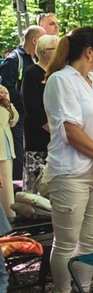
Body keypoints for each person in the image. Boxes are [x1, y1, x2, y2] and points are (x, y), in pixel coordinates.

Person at [43, 27, 93, 293]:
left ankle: (83, 289)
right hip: (70, 173)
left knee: (90, 241)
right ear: (89, 51)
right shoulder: (60, 80)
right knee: (66, 242)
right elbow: (71, 130)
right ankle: (63, 292)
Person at [0, 24, 45, 180]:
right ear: (34, 40)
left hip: (30, 118)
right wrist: (29, 96)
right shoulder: (13, 61)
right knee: (19, 159)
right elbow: (5, 90)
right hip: (17, 120)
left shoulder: (34, 61)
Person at [21, 34, 59, 193]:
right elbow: (32, 107)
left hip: (57, 135)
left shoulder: (58, 73)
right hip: (38, 133)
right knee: (37, 177)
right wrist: (51, 128)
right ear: (44, 52)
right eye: (55, 49)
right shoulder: (32, 73)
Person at [0, 86, 18, 217]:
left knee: (6, 187)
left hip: (5, 147)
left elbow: (13, 121)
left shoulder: (2, 90)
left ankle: (8, 220)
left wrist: (7, 103)